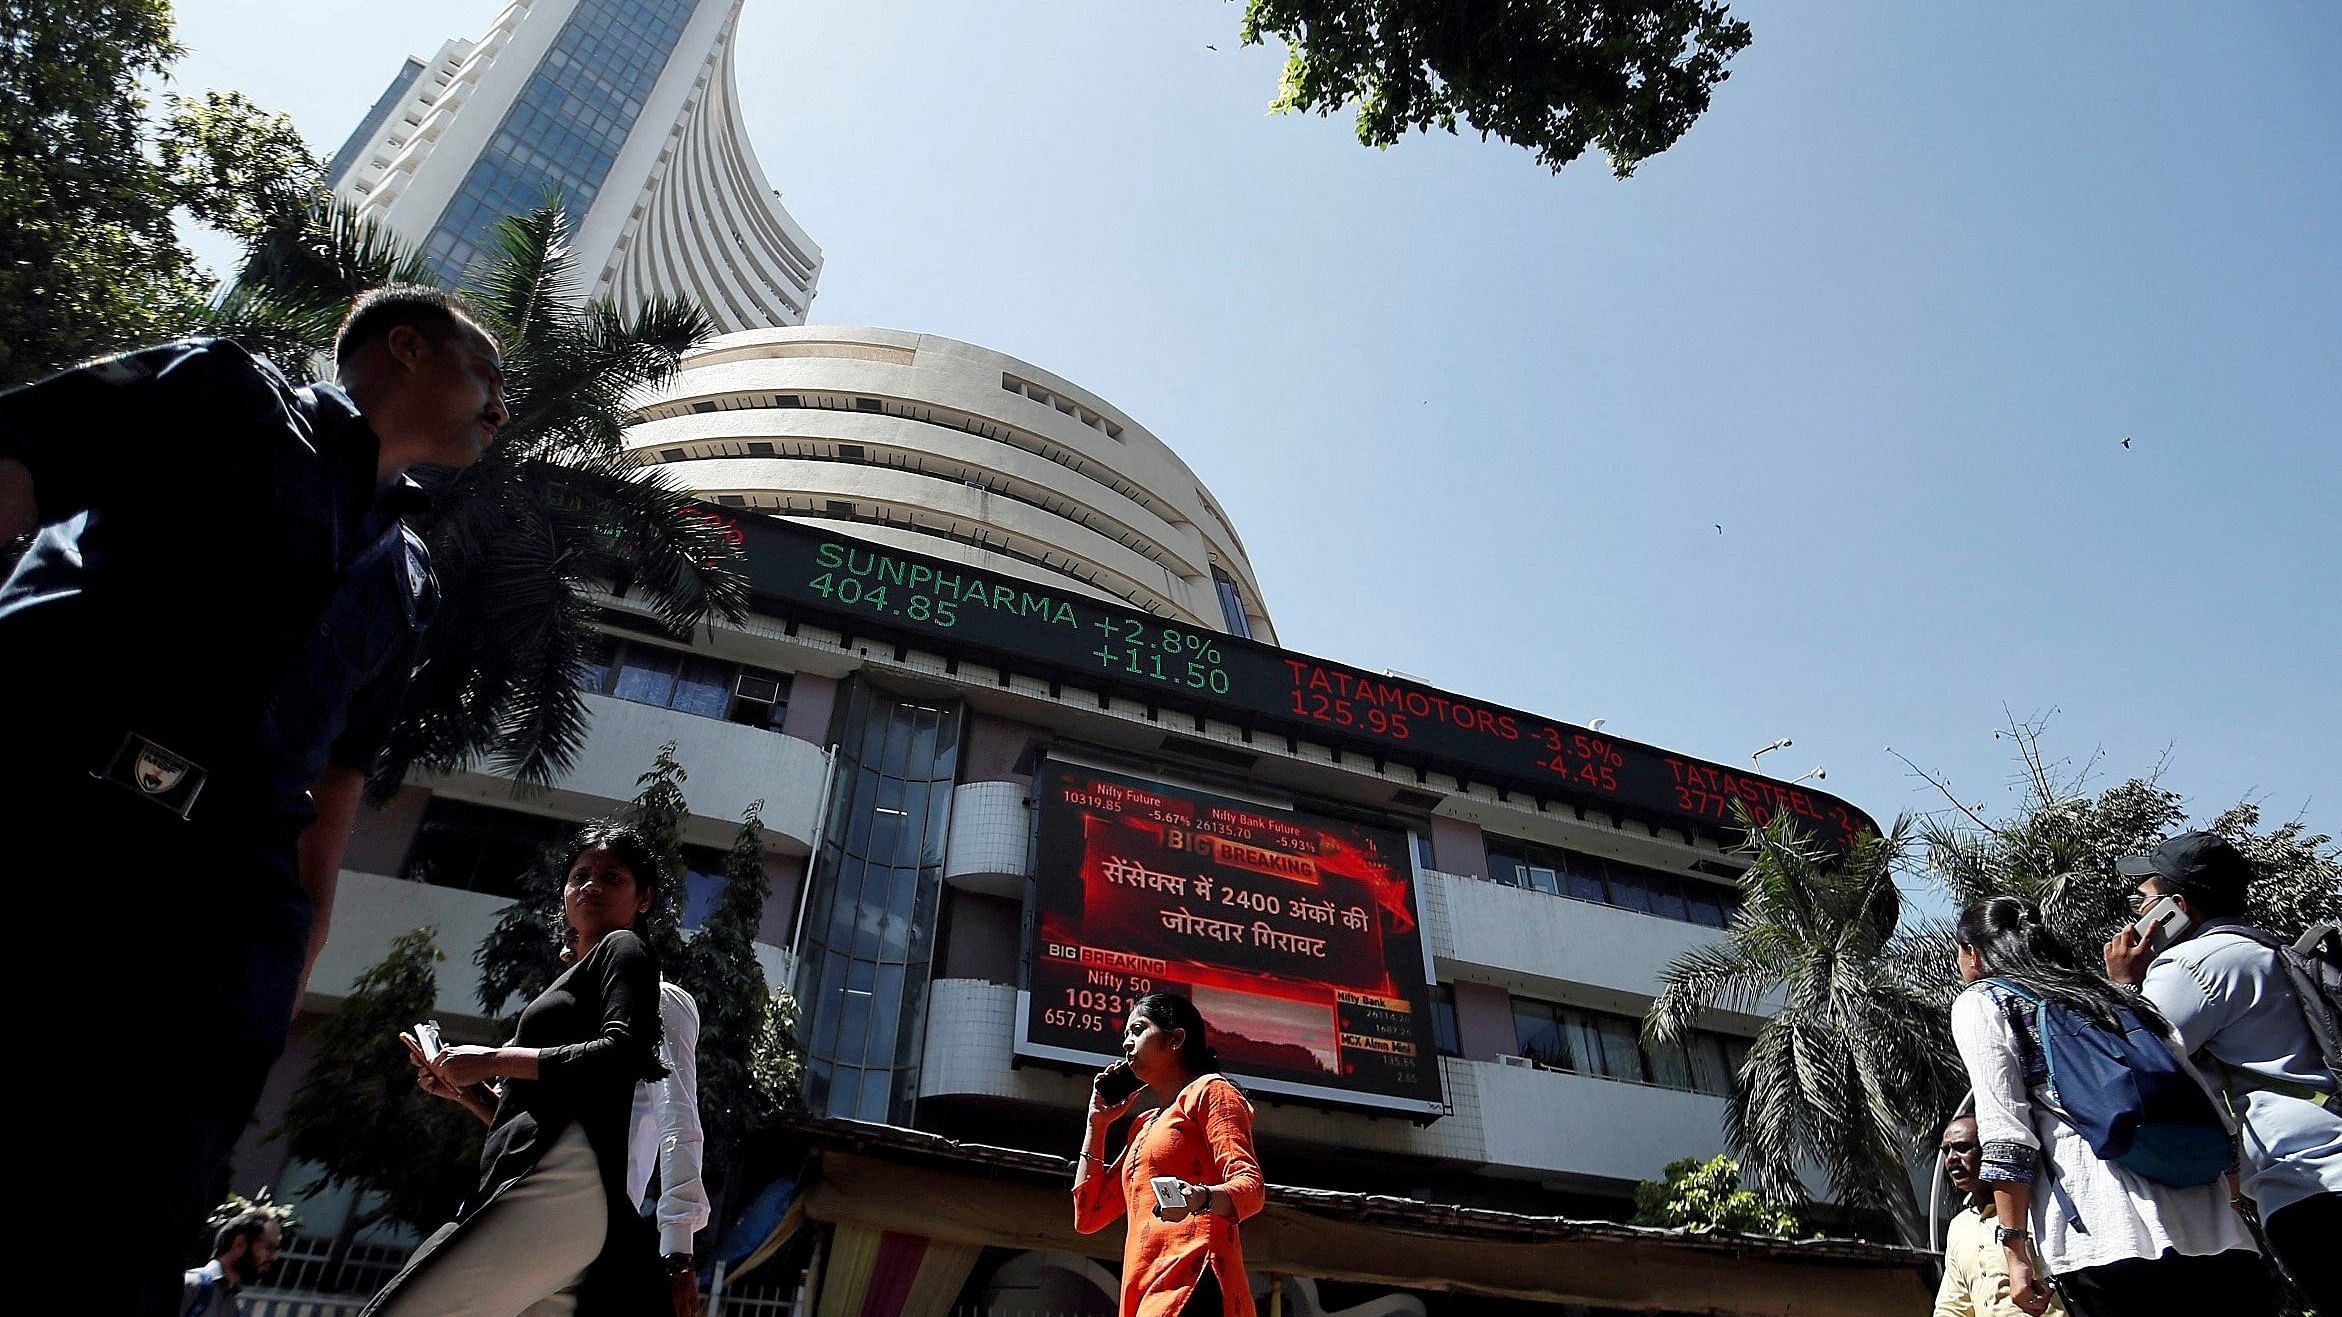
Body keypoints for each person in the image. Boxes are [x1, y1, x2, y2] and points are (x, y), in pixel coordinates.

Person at [0, 286, 506, 1314]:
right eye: (486, 377)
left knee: (134, 1213)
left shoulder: (411, 579)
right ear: (405, 349)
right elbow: (19, 464)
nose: (500, 409)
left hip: (230, 914)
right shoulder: (224, 391)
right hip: (64, 823)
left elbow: (341, 781)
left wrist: (295, 953)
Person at [366, 821, 669, 1317]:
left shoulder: (625, 949)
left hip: (557, 1186)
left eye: (613, 878)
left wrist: (489, 1059)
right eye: (581, 876)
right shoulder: (576, 978)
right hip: (557, 1198)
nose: (592, 885)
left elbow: (623, 1053)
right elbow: (542, 1113)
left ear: (644, 899)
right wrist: (466, 1090)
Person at [1950, 895, 2270, 1317]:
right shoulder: (2118, 998)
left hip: (2103, 1235)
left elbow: (2008, 1134)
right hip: (2214, 1230)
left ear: (1973, 953)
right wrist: (2229, 1205)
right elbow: (2210, 1110)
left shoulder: (1985, 1000)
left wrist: (2015, 1249)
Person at [2102, 832, 2342, 1311]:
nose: (2135, 914)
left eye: (2142, 900)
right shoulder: (2266, 951)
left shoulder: (2190, 965)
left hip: (2307, 1186)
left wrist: (2125, 988)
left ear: (2176, 906)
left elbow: (2133, 1062)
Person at [1073, 992, 1265, 1317]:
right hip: (1146, 1296)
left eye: (1138, 1030)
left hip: (1195, 1281)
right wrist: (1097, 1125)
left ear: (1175, 1039)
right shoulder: (1144, 1125)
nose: (1126, 1043)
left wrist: (1198, 1198)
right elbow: (1088, 1214)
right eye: (1125, 1035)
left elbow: (1251, 1188)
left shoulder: (1211, 1092)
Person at [627, 978, 711, 1317]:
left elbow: (678, 1118)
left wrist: (677, 1253)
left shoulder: (655, 999)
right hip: (512, 1207)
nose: (565, 950)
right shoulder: (564, 1018)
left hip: (590, 1229)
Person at [1935, 1113, 2065, 1317]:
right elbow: (1953, 1305)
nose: (1951, 1158)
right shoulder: (1960, 1227)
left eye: (1963, 1148)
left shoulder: (2036, 1208)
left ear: (1990, 1150)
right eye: (1946, 1150)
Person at [179, 1210, 283, 1317]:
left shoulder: (231, 1305)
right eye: (269, 1247)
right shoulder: (191, 1286)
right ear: (240, 1243)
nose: (274, 1257)